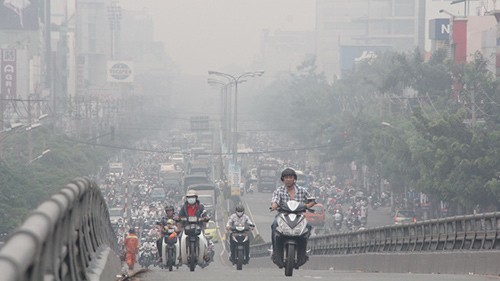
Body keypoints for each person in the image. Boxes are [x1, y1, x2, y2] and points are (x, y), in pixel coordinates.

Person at [270, 168, 315, 260]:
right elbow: (275, 201)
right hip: (283, 215)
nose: (288, 179)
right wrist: (274, 206)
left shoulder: (302, 190)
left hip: (299, 216)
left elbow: (311, 201)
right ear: (283, 179)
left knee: (309, 226)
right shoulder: (279, 191)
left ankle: (304, 250)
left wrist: (307, 206)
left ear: (294, 179)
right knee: (274, 225)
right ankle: (275, 251)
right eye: (286, 177)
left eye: (290, 177)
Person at [177, 189, 211, 263]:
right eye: (189, 197)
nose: (191, 199)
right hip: (186, 227)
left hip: (198, 226)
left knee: (204, 238)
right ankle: (180, 255)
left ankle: (205, 254)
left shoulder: (201, 207)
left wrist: (205, 218)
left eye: (192, 197)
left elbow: (205, 215)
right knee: (180, 237)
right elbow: (179, 216)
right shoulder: (184, 207)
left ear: (196, 198)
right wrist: (178, 218)